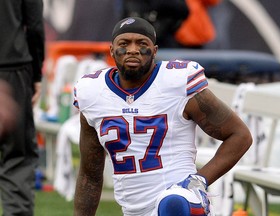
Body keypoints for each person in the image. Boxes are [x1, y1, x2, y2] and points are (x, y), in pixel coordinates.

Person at [73, 17, 252, 216]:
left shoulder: (176, 82)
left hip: (182, 200)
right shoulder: (92, 92)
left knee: (173, 203)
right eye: (124, 44)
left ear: (155, 51)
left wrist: (198, 181)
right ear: (112, 50)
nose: (133, 50)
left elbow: (240, 135)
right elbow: (90, 174)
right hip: (134, 210)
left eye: (142, 43)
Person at [0, 0, 45, 215]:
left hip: (13, 63)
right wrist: (36, 73)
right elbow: (34, 25)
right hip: (12, 66)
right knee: (17, 157)